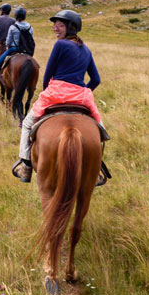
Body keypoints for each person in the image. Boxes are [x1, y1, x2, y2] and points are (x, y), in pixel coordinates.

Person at [12, 9, 110, 186]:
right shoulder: (86, 49)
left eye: (60, 25)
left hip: (56, 92)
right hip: (81, 96)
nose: (55, 28)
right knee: (100, 131)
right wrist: (83, 91)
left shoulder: (60, 45)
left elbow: (48, 74)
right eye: (54, 24)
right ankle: (97, 168)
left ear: (71, 27)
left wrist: (47, 93)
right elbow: (96, 79)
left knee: (27, 123)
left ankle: (25, 165)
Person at [0, 7, 33, 86]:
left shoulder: (13, 27)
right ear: (24, 16)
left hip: (14, 48)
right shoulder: (30, 27)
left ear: (16, 15)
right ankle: (29, 84)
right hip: (26, 50)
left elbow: (8, 40)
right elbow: (31, 39)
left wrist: (7, 46)